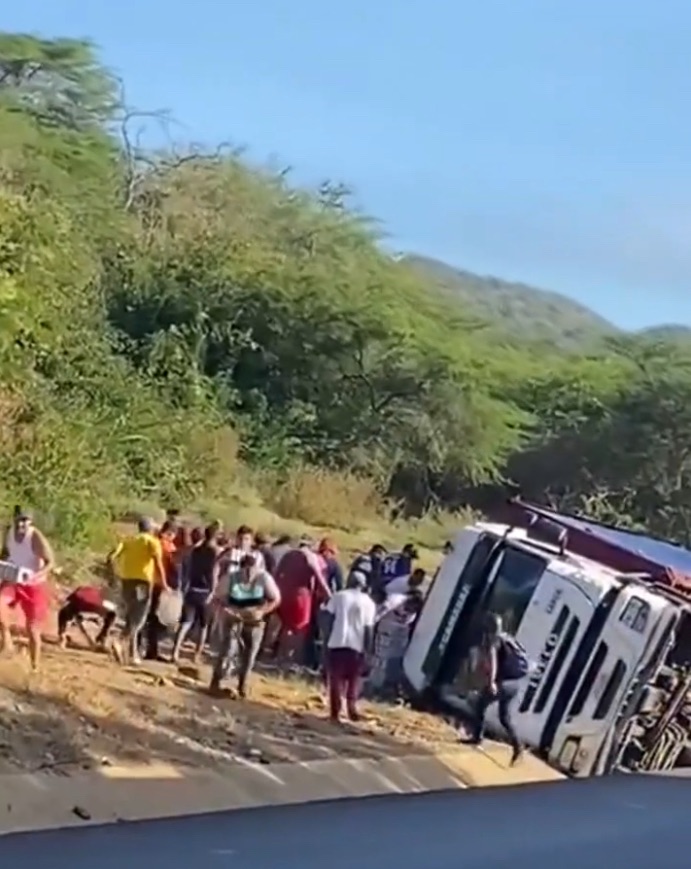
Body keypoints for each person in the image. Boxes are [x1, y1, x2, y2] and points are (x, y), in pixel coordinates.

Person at [210, 554, 281, 698]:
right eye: (246, 571)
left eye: (252, 570)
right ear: (241, 568)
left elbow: (276, 599)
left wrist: (262, 611)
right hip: (234, 617)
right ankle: (216, 682)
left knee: (250, 654)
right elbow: (218, 598)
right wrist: (227, 611)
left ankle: (243, 685)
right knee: (228, 649)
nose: (249, 574)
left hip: (254, 620)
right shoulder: (231, 578)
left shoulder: (264, 578)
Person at [462, 612, 525, 766]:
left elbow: (493, 660)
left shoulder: (494, 640)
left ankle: (477, 738)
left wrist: (491, 682)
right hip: (515, 684)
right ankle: (518, 747)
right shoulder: (508, 637)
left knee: (479, 705)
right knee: (504, 717)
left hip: (503, 683)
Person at [0, 508, 55, 671]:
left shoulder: (35, 537)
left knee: (32, 629)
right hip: (13, 579)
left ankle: (35, 666)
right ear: (14, 519)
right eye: (19, 520)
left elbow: (50, 562)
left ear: (31, 521)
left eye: (26, 520)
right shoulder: (9, 533)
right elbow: (5, 553)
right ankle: (7, 640)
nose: (22, 524)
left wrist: (35, 576)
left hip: (33, 585)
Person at [109, 517, 167, 666]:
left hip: (126, 581)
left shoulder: (129, 540)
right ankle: (119, 640)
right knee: (139, 619)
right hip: (143, 583)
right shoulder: (152, 542)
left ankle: (132, 653)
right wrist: (164, 583)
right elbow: (158, 562)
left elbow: (111, 557)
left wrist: (114, 575)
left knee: (131, 617)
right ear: (151, 528)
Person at [322, 571, 376, 722]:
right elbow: (368, 629)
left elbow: (328, 619)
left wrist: (326, 639)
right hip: (356, 645)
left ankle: (335, 712)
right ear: (362, 585)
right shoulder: (368, 602)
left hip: (337, 641)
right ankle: (351, 708)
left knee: (335, 679)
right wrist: (368, 650)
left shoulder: (338, 596)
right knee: (354, 679)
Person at [273, 539, 332, 664]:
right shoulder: (310, 557)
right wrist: (329, 596)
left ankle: (280, 657)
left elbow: (277, 574)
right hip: (301, 595)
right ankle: (290, 659)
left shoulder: (288, 554)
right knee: (299, 629)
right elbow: (319, 578)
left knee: (286, 627)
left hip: (285, 593)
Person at [172, 523, 221, 664]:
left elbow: (187, 569)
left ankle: (175, 651)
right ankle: (196, 655)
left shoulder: (196, 550)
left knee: (185, 623)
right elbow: (213, 572)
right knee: (203, 626)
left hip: (192, 588)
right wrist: (213, 590)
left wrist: (185, 585)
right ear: (216, 536)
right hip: (205, 591)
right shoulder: (215, 552)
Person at [141, 520, 179, 661]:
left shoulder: (154, 542)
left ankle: (147, 649)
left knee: (147, 617)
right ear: (169, 533)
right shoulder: (167, 546)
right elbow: (171, 567)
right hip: (159, 585)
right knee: (153, 618)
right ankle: (150, 650)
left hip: (149, 581)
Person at [57, 585, 117, 650]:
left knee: (63, 611)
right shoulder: (101, 597)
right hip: (94, 611)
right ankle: (102, 637)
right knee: (112, 614)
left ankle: (62, 635)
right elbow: (113, 610)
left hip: (82, 610)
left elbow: (67, 601)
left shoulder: (80, 593)